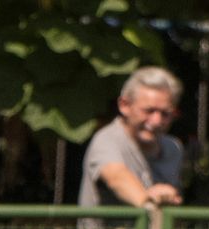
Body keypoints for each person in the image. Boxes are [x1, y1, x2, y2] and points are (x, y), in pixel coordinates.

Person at [79, 67, 185, 214]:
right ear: (124, 105)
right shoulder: (107, 140)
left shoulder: (173, 147)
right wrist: (149, 201)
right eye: (149, 111)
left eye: (165, 113)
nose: (156, 121)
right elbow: (117, 177)